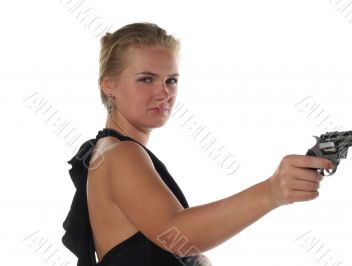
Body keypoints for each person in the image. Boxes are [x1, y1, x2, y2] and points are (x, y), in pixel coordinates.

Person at [61, 22, 333, 266]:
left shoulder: (110, 151)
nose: (164, 92)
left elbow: (170, 243)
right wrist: (272, 192)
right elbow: (177, 235)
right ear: (109, 85)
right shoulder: (120, 153)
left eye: (171, 81)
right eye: (146, 79)